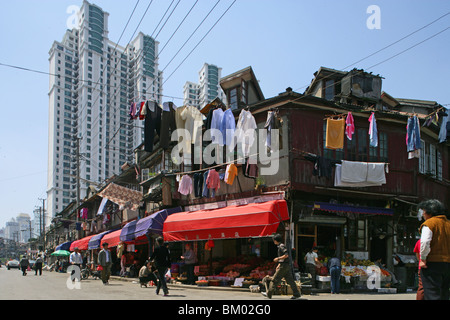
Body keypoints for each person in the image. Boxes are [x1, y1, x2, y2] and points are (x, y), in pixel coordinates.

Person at [418, 199, 450, 300]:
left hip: (432, 263)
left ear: (429, 212)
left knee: (432, 294)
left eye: (423, 211)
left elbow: (425, 242)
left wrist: (423, 258)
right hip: (448, 264)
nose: (423, 214)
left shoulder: (429, 224)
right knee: (444, 293)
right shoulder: (448, 223)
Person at [263, 234, 301, 300]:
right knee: (290, 280)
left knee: (274, 280)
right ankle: (296, 294)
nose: (274, 241)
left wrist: (277, 258)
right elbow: (284, 259)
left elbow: (286, 255)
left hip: (284, 266)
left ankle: (269, 294)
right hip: (285, 265)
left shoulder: (281, 246)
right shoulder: (281, 246)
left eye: (274, 240)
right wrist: (279, 264)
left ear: (275, 240)